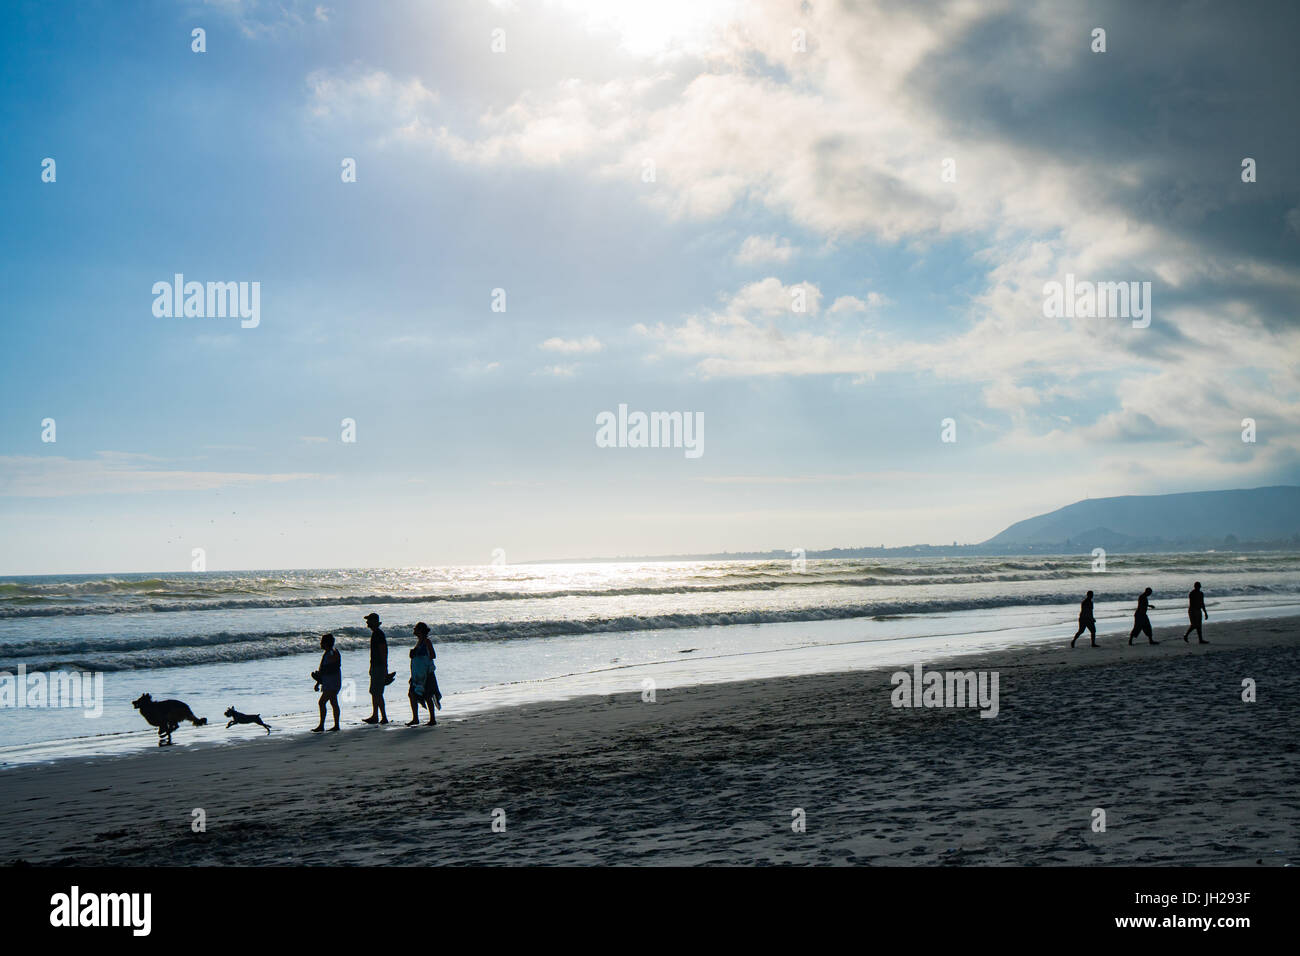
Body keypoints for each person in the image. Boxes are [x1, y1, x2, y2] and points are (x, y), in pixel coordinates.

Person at [406, 622, 441, 726]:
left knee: (427, 695)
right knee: (412, 694)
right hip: (417, 674)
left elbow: (433, 655)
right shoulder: (419, 642)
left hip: (426, 673)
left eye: (416, 629)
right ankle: (416, 718)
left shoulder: (427, 642)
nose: (414, 630)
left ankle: (432, 719)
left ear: (420, 631)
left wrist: (419, 654)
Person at [362, 612, 393, 725]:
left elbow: (383, 651)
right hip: (376, 666)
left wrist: (385, 668)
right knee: (375, 692)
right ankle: (376, 715)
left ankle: (382, 716)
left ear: (374, 622)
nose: (367, 622)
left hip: (379, 667)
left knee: (377, 692)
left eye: (369, 620)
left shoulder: (378, 634)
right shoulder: (377, 633)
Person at [311, 632, 342, 733]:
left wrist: (318, 678)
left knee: (322, 702)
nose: (320, 644)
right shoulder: (332, 652)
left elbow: (329, 669)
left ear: (326, 643)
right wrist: (318, 681)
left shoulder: (331, 653)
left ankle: (322, 725)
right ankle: (336, 725)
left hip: (332, 683)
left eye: (322, 642)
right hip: (332, 682)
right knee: (333, 702)